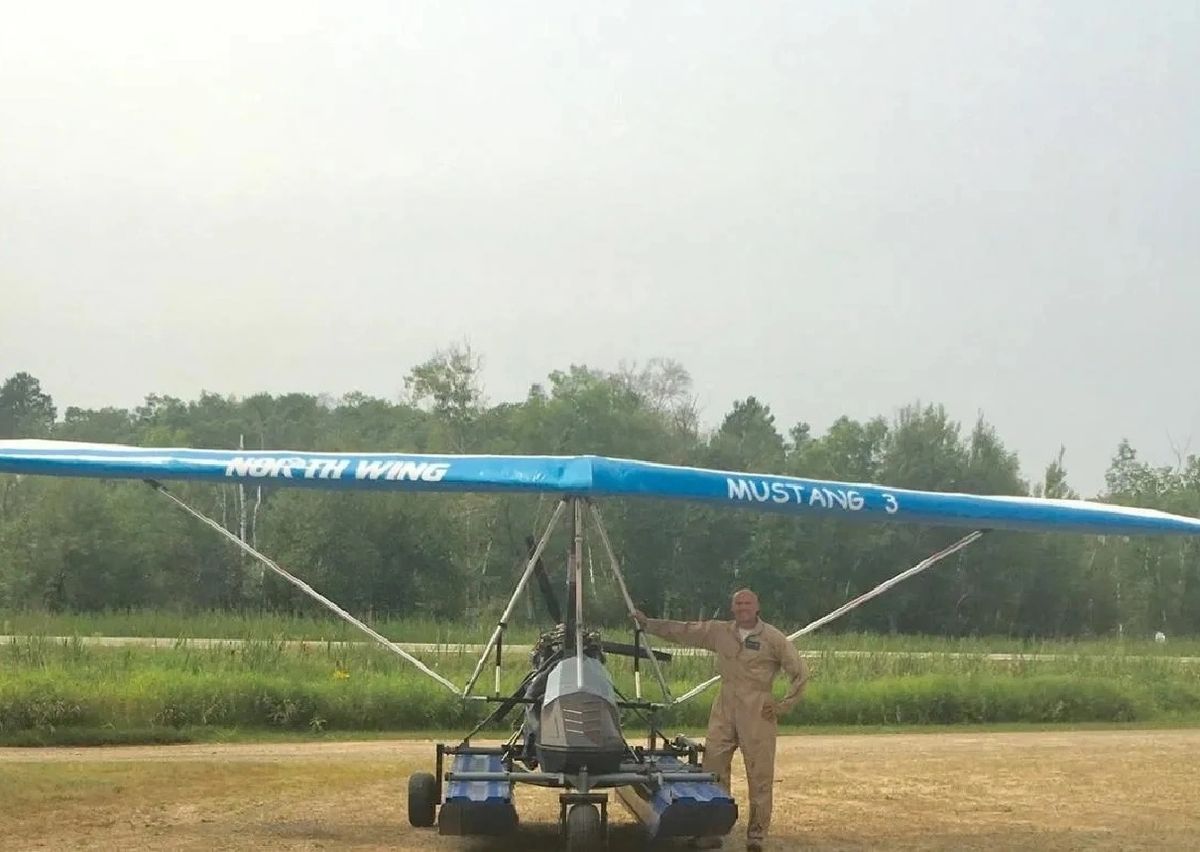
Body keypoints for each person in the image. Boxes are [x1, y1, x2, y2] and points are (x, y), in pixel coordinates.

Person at [634, 589, 808, 851]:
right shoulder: (719, 632)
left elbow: (800, 673)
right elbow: (685, 630)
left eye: (747, 602)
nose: (742, 607)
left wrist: (783, 705)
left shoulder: (773, 638)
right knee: (712, 769)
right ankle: (713, 831)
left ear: (757, 606)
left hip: (758, 711)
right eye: (738, 603)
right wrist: (648, 624)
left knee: (759, 775)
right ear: (732, 608)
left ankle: (756, 836)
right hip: (724, 706)